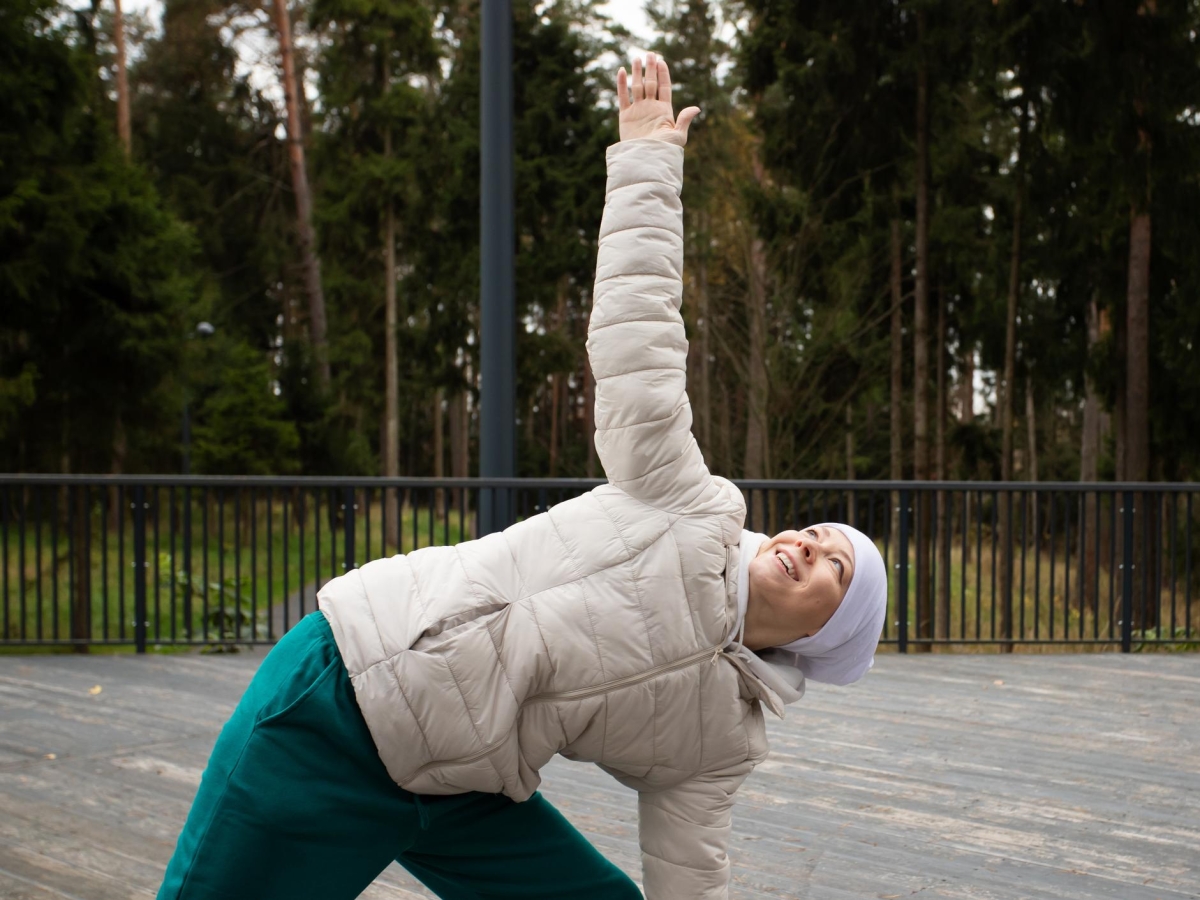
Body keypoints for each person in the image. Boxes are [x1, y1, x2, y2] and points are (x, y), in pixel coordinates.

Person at [155, 52, 887, 900]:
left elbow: (691, 865)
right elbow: (638, 343)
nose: (809, 542)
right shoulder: (691, 507)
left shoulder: (723, 738)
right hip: (344, 703)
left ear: (824, 636)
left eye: (838, 565)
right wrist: (649, 162)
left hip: (461, 788)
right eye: (819, 531)